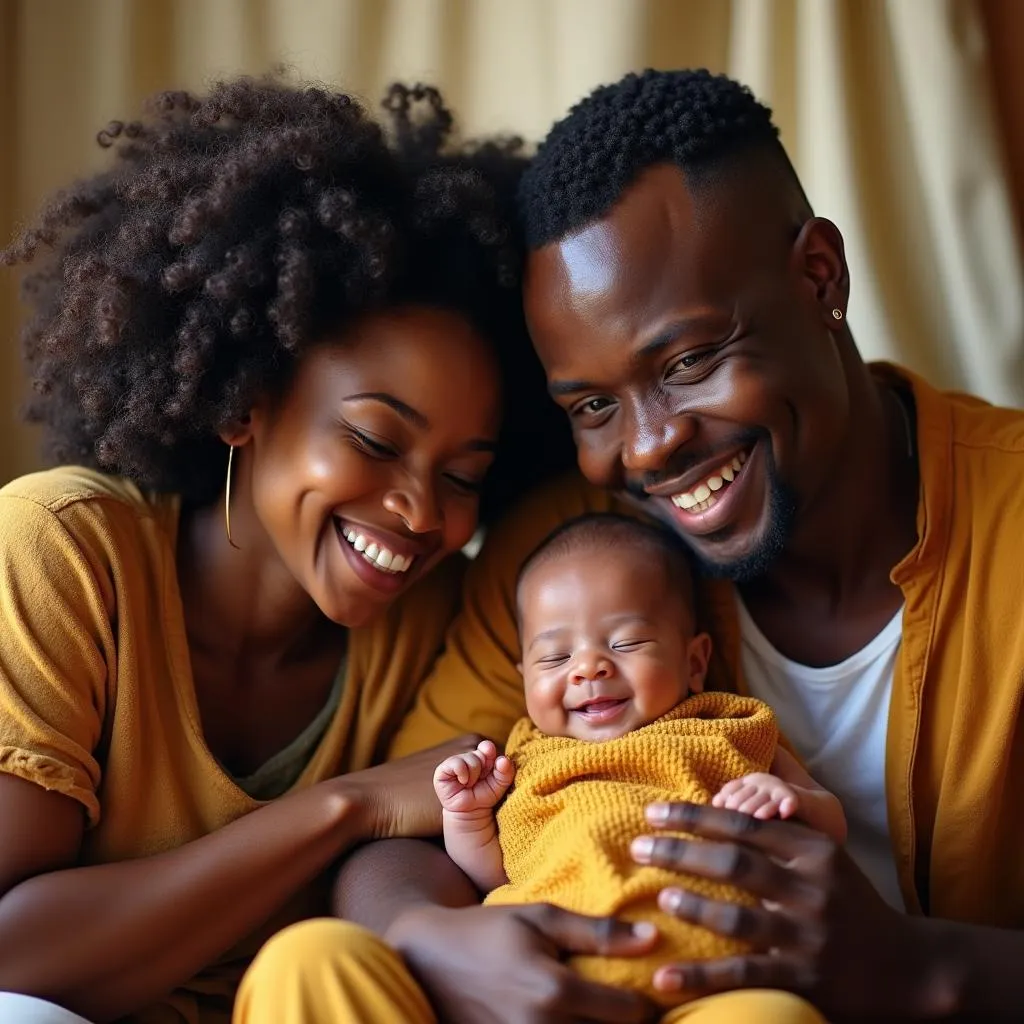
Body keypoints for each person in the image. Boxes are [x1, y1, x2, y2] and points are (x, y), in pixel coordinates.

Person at [307, 68, 1024, 1023]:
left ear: (821, 278)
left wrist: (911, 966)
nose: (647, 447)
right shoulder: (572, 557)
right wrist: (429, 935)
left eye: (688, 362)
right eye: (594, 406)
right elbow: (403, 838)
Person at [0, 74, 566, 1024]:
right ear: (243, 403)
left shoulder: (429, 629)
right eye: (377, 442)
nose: (421, 512)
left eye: (463, 476)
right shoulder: (65, 551)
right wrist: (342, 806)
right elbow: (13, 959)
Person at [435, 513, 844, 1023]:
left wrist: (788, 799)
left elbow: (832, 824)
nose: (588, 668)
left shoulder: (726, 728)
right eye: (555, 657)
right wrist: (468, 818)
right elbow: (495, 874)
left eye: (625, 643)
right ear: (523, 679)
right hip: (556, 989)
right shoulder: (521, 759)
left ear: (694, 662)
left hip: (710, 982)